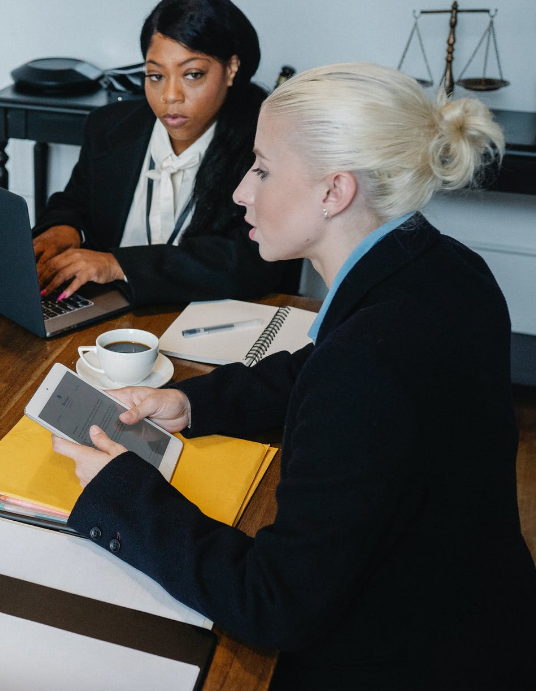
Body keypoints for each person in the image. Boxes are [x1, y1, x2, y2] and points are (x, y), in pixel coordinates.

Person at [52, 63, 536, 690]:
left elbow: (273, 604)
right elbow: (320, 369)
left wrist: (120, 491)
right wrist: (187, 402)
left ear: (334, 192)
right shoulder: (446, 270)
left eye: (261, 169)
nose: (239, 193)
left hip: (408, 658)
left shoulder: (365, 365)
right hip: (488, 612)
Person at [32, 0, 293, 306]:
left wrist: (118, 265)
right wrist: (64, 228)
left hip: (207, 322)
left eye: (192, 74)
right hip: (104, 313)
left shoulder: (264, 147)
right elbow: (75, 201)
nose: (170, 95)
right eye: (156, 76)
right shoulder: (109, 127)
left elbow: (254, 261)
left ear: (231, 69)